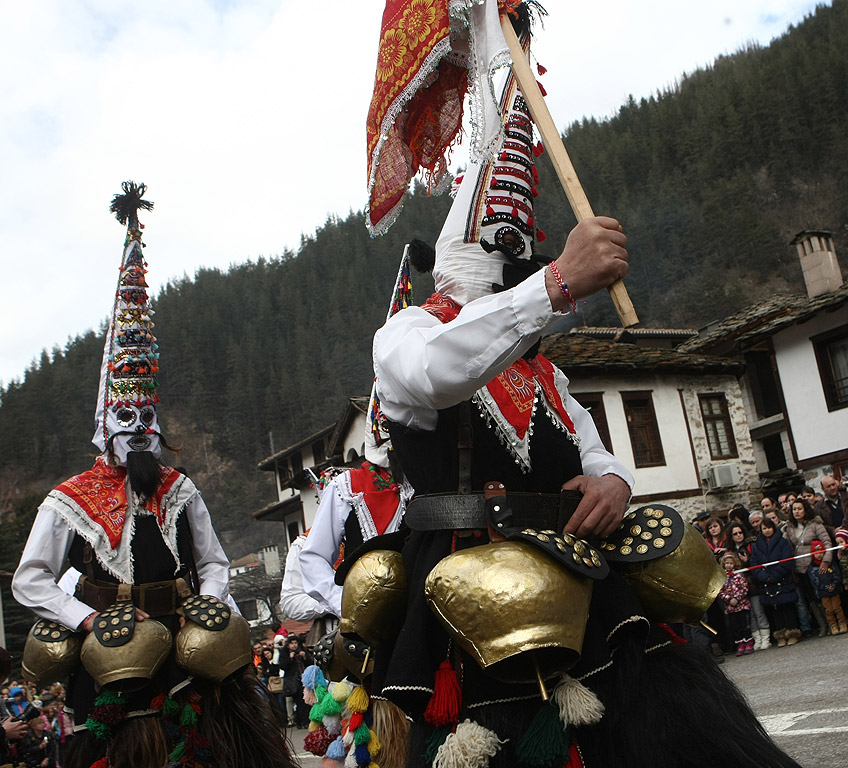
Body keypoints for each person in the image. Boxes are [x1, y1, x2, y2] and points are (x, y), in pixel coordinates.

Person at [368, 19, 799, 766]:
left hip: (579, 577)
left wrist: (612, 485)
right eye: (515, 264)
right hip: (464, 597)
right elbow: (437, 375)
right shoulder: (407, 334)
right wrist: (558, 285)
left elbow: (602, 456)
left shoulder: (543, 372)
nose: (528, 273)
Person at [11, 183, 293, 768]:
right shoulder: (69, 500)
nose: (139, 429)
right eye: (126, 417)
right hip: (109, 657)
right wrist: (85, 618)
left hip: (185, 656)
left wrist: (209, 606)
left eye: (146, 417)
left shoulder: (179, 488)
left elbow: (214, 563)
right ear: (105, 424)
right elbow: (30, 581)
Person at [784, 498, 833, 637]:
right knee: (811, 598)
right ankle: (822, 625)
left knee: (822, 595)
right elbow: (788, 547)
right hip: (800, 568)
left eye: (799, 509)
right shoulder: (789, 527)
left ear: (805, 509)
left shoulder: (815, 524)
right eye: (794, 509)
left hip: (816, 566)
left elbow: (827, 543)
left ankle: (831, 624)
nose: (797, 512)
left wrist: (826, 560)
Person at [750, 517, 800, 646]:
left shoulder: (783, 542)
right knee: (775, 609)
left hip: (782, 579)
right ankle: (780, 635)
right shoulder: (756, 546)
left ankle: (792, 632)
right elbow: (754, 564)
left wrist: (775, 574)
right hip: (766, 582)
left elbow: (787, 560)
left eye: (769, 528)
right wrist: (764, 576)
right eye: (764, 528)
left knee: (787, 607)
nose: (767, 531)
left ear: (773, 528)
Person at [807, 539, 847, 634]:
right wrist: (825, 587)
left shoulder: (830, 563)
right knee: (829, 610)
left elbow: (837, 574)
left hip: (835, 589)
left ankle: (842, 623)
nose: (819, 554)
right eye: (816, 552)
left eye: (821, 551)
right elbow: (815, 581)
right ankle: (832, 625)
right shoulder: (812, 567)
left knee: (837, 607)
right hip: (823, 592)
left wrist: (833, 584)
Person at [717, 552, 753, 655]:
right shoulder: (722, 577)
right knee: (736, 627)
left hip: (742, 605)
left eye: (731, 563)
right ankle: (740, 644)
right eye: (727, 563)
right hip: (730, 608)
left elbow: (744, 588)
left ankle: (748, 642)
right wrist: (729, 599)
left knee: (745, 625)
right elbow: (720, 591)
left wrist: (737, 599)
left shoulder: (739, 574)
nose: (729, 565)